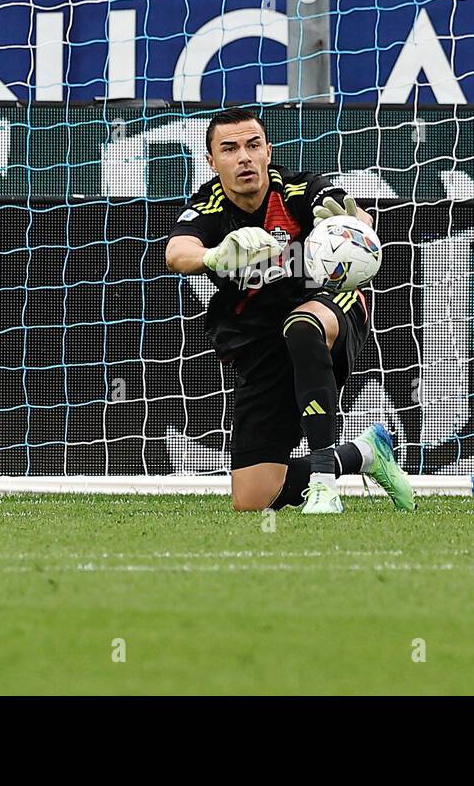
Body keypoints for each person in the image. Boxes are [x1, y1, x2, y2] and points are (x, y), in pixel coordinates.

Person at [165, 107, 414, 514]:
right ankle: (363, 454)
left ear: (268, 151)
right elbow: (177, 253)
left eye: (253, 145)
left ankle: (323, 484)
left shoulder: (300, 190)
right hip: (261, 341)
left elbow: (355, 215)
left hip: (330, 310)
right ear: (211, 162)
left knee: (302, 324)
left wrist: (346, 220)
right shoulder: (208, 208)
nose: (244, 157)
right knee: (253, 500)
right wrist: (215, 256)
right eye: (229, 149)